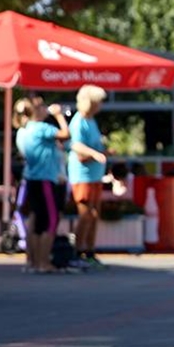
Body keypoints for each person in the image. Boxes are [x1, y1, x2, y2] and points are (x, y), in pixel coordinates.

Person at [14, 96, 72, 274]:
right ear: (35, 110)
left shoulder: (23, 131)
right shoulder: (41, 128)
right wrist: (59, 115)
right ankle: (43, 262)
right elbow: (66, 134)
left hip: (31, 178)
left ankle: (32, 260)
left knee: (35, 219)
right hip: (46, 178)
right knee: (50, 221)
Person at [68, 84, 109, 269]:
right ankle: (77, 251)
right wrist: (94, 154)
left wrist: (104, 151)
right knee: (85, 214)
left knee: (94, 214)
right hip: (82, 175)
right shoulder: (78, 121)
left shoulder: (92, 120)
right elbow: (77, 148)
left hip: (95, 175)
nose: (100, 105)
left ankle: (90, 251)